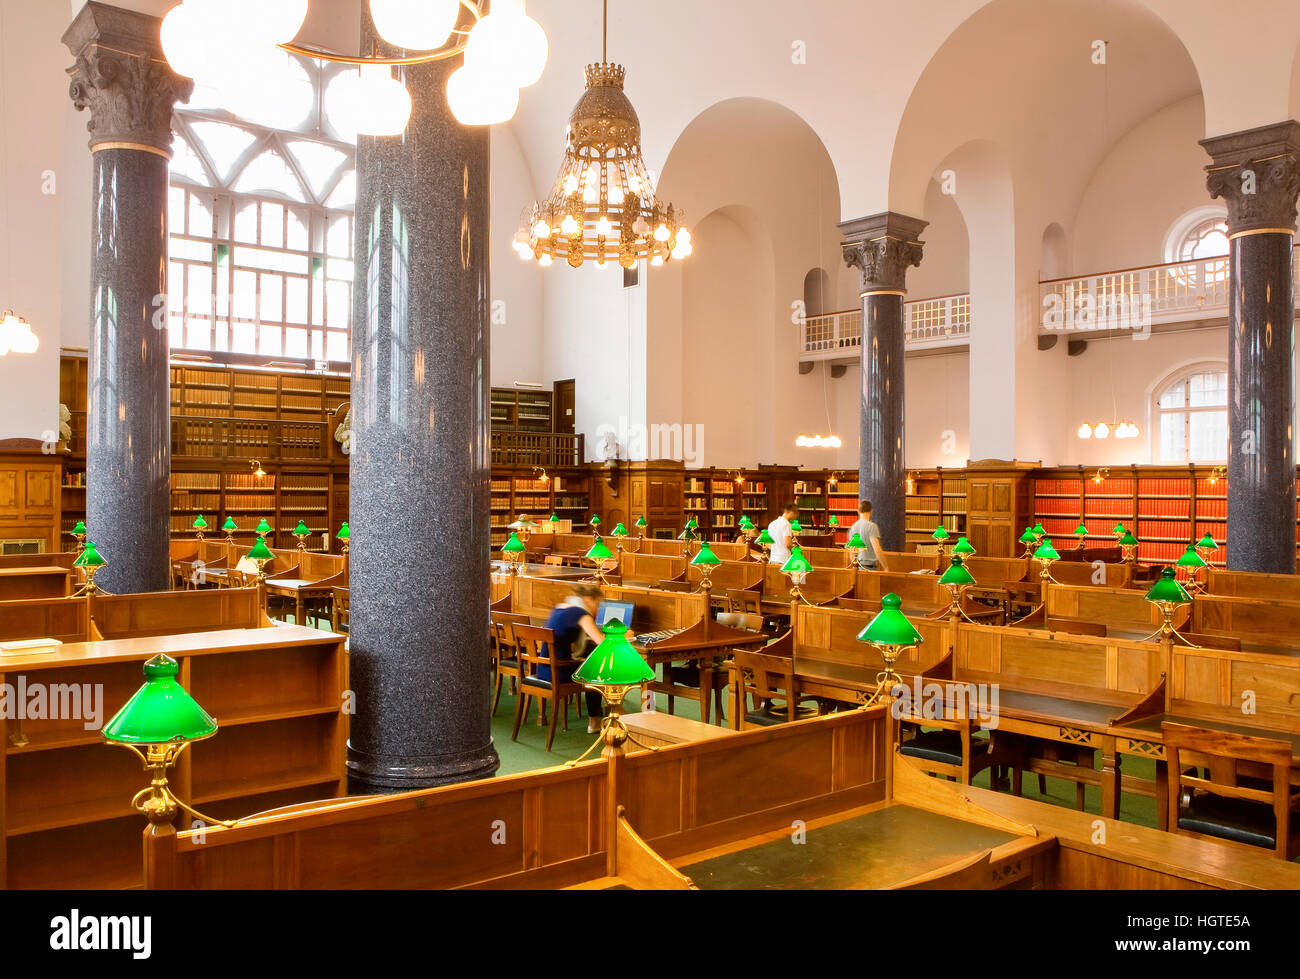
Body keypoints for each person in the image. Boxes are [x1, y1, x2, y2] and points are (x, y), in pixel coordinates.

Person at [540, 582, 637, 734]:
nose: (597, 610)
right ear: (589, 600)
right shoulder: (581, 613)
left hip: (545, 669)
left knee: (592, 663)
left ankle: (608, 710)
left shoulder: (560, 607)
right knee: (597, 671)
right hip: (560, 672)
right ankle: (597, 720)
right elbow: (601, 642)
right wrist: (623, 634)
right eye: (598, 604)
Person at [848, 500, 889, 571]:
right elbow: (877, 550)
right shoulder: (872, 526)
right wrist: (885, 567)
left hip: (857, 568)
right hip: (870, 568)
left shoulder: (853, 527)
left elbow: (851, 552)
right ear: (871, 511)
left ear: (858, 511)